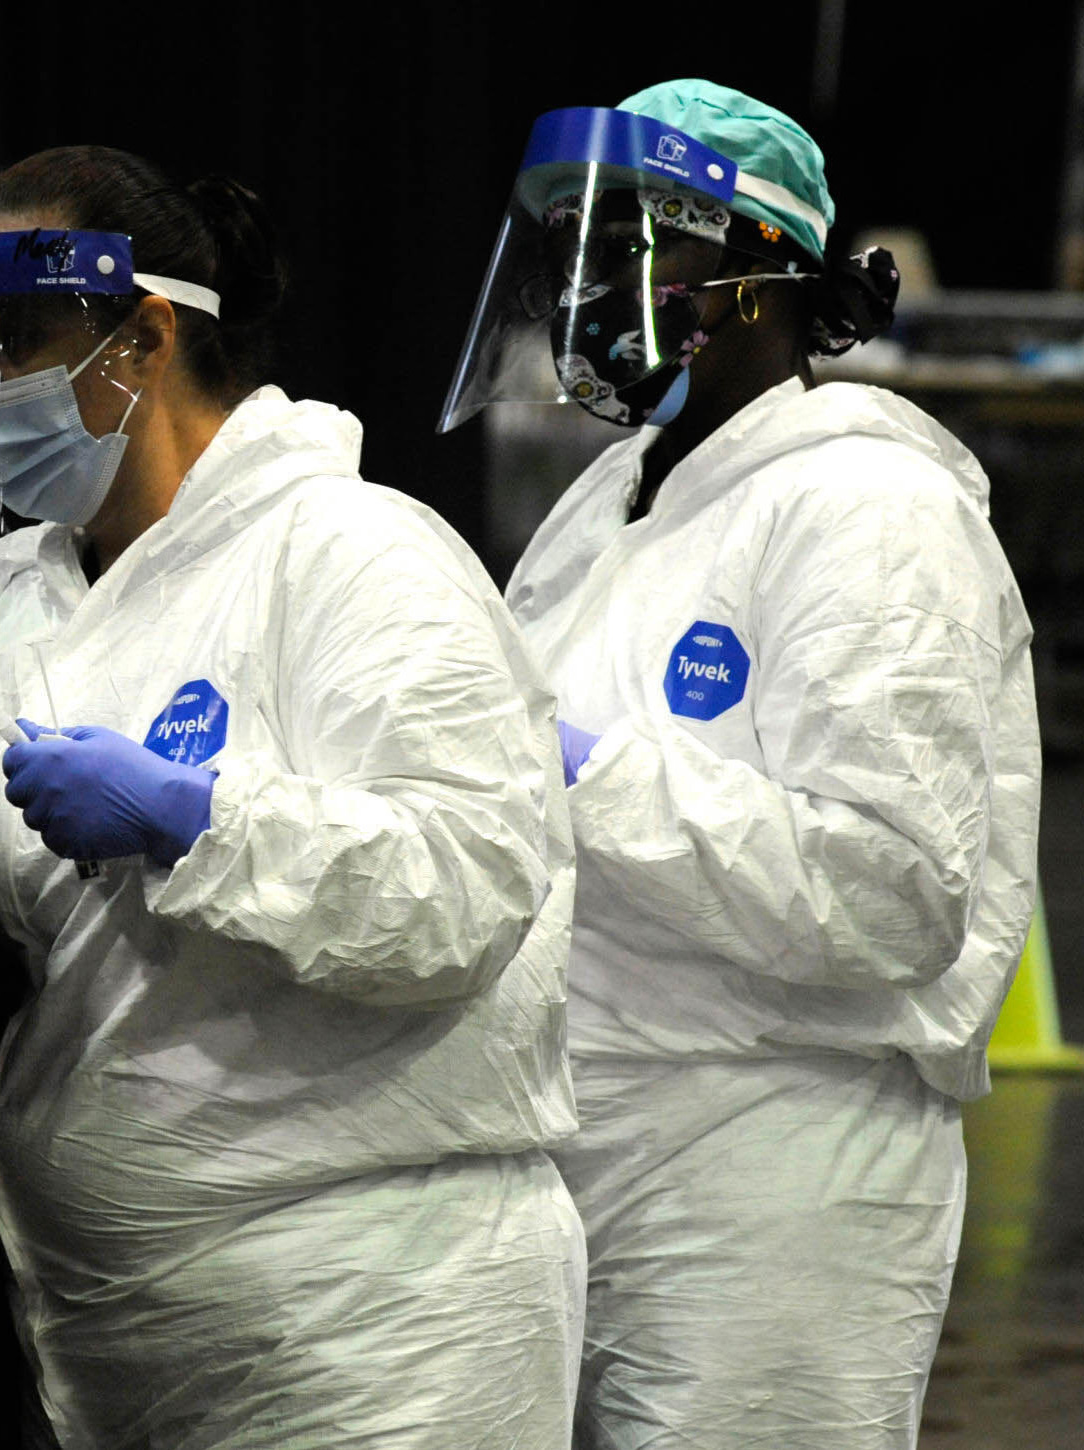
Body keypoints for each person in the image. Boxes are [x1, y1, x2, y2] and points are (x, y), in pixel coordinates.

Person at [0, 145, 585, 1447]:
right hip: (125, 1350)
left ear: (142, 338)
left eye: (17, 339)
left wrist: (204, 823)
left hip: (379, 1330)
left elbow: (465, 885)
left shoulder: (355, 557)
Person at [443, 79, 1041, 1449]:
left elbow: (887, 890)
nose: (597, 291)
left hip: (776, 1164)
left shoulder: (871, 513)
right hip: (581, 1126)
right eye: (582, 253)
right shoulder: (613, 497)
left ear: (765, 279)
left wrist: (580, 776)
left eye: (641, 252)